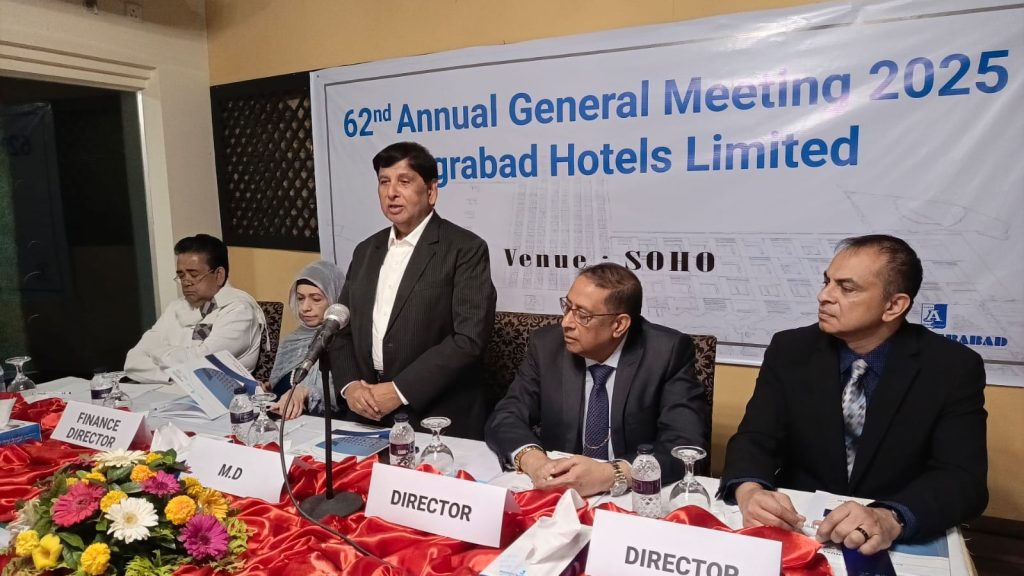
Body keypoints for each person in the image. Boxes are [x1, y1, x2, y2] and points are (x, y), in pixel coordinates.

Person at [720, 234, 987, 555]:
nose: (824, 296)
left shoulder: (951, 367)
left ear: (894, 306)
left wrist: (890, 517)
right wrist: (750, 490)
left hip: (889, 536)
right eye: (827, 282)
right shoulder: (790, 349)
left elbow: (961, 478)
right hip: (801, 526)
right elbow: (755, 438)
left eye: (847, 288)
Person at [485, 263, 709, 497]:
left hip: (631, 497)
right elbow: (506, 416)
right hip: (558, 492)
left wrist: (612, 474)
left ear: (619, 325)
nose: (566, 322)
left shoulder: (666, 352)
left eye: (583, 315)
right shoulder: (547, 345)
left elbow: (685, 444)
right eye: (567, 307)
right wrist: (535, 462)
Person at [327, 141, 497, 439]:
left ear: (431, 191)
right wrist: (350, 386)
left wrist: (399, 390)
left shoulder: (465, 249)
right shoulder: (366, 250)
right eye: (384, 182)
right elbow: (342, 327)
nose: (391, 192)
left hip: (437, 417)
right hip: (367, 413)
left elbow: (468, 338)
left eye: (404, 181)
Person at [125, 234, 266, 383]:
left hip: (219, 394)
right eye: (181, 275)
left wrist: (155, 353)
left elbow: (202, 362)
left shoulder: (238, 310)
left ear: (219, 275)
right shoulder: (176, 307)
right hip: (168, 388)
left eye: (193, 274)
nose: (186, 282)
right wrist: (173, 377)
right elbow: (133, 361)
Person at [268, 260, 345, 419]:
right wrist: (267, 391)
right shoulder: (291, 341)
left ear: (335, 299)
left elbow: (344, 396)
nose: (305, 307)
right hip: (283, 421)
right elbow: (279, 386)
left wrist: (306, 392)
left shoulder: (347, 343)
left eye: (316, 299)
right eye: (300, 298)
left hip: (325, 425)